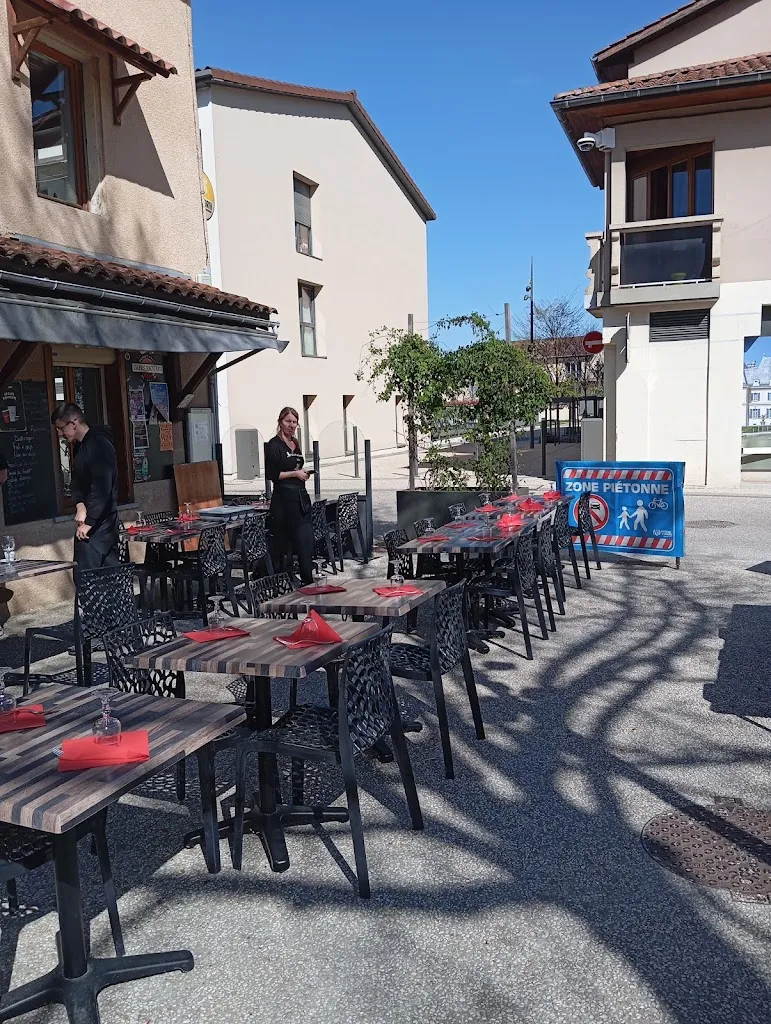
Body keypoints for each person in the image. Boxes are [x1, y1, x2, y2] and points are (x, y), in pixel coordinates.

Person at [50, 402, 119, 575]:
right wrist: (79, 504)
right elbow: (76, 481)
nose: (60, 434)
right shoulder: (80, 446)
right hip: (90, 523)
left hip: (102, 524)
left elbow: (102, 488)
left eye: (61, 428)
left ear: (74, 423)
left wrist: (89, 522)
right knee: (85, 576)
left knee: (91, 579)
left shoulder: (99, 444)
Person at [265, 406, 314, 585]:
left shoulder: (296, 443)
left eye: (294, 422)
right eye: (288, 421)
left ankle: (307, 580)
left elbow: (296, 466)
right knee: (283, 543)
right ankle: (277, 579)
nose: (292, 425)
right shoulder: (274, 445)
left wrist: (303, 473)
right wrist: (295, 474)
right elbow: (272, 474)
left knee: (305, 540)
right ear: (280, 422)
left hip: (300, 497)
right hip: (283, 499)